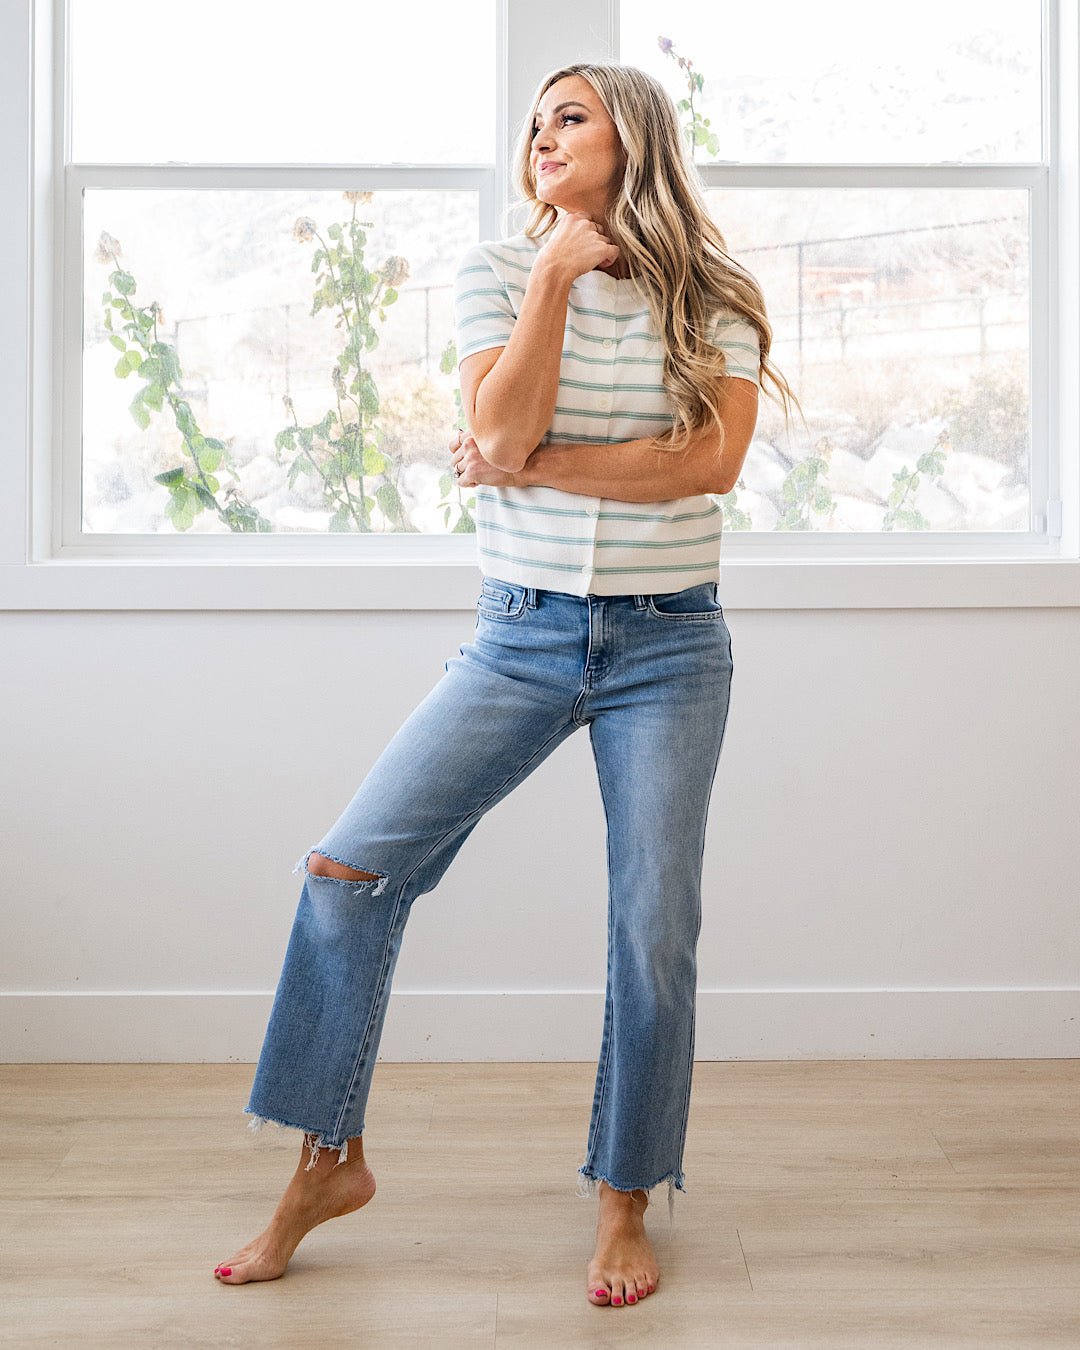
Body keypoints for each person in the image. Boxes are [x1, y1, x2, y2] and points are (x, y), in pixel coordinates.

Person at [214, 61, 798, 1308]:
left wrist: (531, 466)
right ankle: (327, 1162)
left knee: (652, 928)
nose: (542, 137)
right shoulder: (494, 271)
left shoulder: (714, 295)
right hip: (519, 634)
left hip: (670, 644)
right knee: (347, 872)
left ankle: (626, 1198)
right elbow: (497, 427)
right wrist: (549, 281)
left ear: (634, 135)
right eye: (534, 123)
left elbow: (707, 463)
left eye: (570, 117)